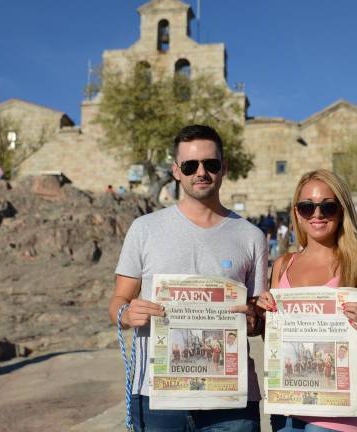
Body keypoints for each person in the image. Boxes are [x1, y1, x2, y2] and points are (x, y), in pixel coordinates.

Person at [108, 124, 268, 432]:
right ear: (176, 171)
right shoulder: (144, 229)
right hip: (156, 396)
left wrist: (253, 320)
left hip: (231, 402)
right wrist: (128, 313)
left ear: (224, 169)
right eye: (190, 165)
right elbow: (117, 302)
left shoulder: (252, 236)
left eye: (211, 164)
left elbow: (256, 319)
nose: (201, 172)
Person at [257, 169, 357, 432]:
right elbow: (274, 343)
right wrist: (267, 317)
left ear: (341, 211)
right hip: (287, 409)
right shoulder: (282, 265)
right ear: (297, 212)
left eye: (327, 207)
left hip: (338, 415)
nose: (317, 214)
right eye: (307, 207)